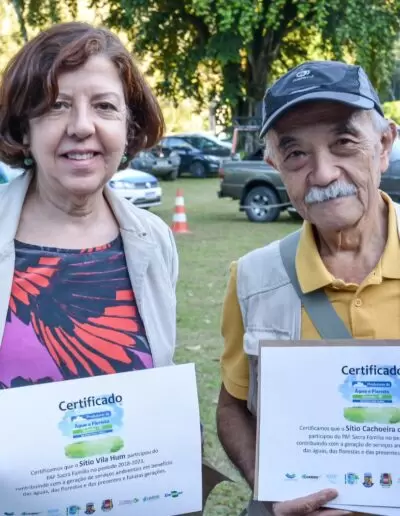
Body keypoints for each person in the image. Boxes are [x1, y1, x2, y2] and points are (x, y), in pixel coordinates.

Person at [216, 60, 398, 516]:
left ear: (383, 145)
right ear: (274, 164)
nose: (323, 174)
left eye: (344, 143)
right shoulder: (253, 279)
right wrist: (270, 488)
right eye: (296, 153)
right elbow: (232, 407)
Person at [0, 22, 178, 387]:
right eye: (58, 105)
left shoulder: (154, 239)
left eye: (104, 106)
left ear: (128, 127)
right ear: (24, 128)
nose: (81, 127)